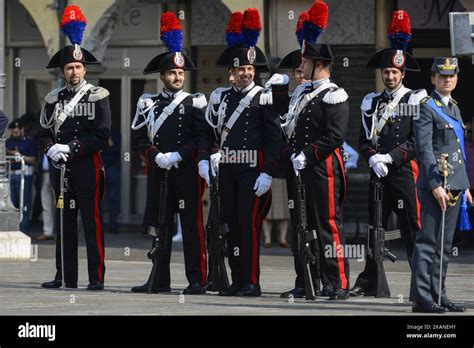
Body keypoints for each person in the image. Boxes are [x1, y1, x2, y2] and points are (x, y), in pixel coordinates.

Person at [200, 9, 281, 297]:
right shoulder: (220, 98)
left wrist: (268, 172)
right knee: (231, 227)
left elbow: (274, 139)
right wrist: (211, 153)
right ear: (231, 73)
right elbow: (212, 133)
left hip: (252, 172)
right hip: (228, 172)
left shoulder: (264, 97)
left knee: (248, 228)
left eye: (250, 69)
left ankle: (252, 282)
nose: (246, 74)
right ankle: (235, 280)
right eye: (240, 70)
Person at [130, 12, 209, 295]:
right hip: (159, 172)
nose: (177, 77)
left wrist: (179, 155)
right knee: (159, 225)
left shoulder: (195, 102)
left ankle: (197, 279)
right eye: (172, 73)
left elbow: (203, 136)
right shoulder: (147, 103)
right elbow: (139, 138)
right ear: (162, 76)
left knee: (191, 227)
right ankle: (159, 279)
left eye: (180, 73)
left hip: (186, 173)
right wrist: (155, 155)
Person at [277, 0, 350, 300]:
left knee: (326, 225)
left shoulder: (334, 94)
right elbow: (287, 129)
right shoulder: (300, 93)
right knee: (301, 225)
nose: (301, 65)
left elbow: (335, 135)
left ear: (318, 65)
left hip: (321, 168)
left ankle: (338, 281)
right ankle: (309, 278)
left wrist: (307, 154)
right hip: (298, 168)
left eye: (305, 62)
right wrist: (277, 93)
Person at [350, 10, 425, 298]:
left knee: (411, 229)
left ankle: (421, 283)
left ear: (403, 74)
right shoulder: (371, 101)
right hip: (377, 173)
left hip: (403, 173)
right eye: (386, 72)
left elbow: (417, 141)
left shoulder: (415, 99)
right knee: (374, 228)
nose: (390, 76)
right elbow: (363, 138)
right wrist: (371, 157)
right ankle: (370, 280)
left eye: (395, 72)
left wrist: (389, 157)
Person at [39, 5, 111, 290]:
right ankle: (65, 275)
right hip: (61, 169)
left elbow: (102, 135)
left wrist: (70, 147)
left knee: (91, 222)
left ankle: (96, 278)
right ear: (63, 71)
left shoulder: (97, 95)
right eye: (70, 67)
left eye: (79, 67)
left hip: (87, 167)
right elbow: (41, 132)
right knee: (64, 222)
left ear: (84, 69)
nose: (75, 71)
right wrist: (50, 148)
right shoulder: (52, 98)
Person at [410, 57, 470, 313]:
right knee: (428, 242)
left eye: (452, 75)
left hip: (453, 185)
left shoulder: (454, 107)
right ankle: (422, 298)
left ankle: (439, 293)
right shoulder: (426, 107)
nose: (447, 79)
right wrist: (435, 184)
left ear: (456, 78)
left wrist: (464, 185)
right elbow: (424, 150)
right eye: (442, 75)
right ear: (433, 78)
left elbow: (456, 150)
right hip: (435, 185)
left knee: (445, 246)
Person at [6, 119, 37, 232]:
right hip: (10, 174)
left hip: (24, 174)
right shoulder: (9, 141)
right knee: (11, 203)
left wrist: (18, 155)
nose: (14, 134)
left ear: (22, 129)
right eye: (12, 132)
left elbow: (33, 160)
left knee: (24, 203)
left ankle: (23, 228)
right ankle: (12, 228)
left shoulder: (29, 141)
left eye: (16, 132)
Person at [101, 126, 121, 234]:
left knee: (113, 198)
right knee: (100, 198)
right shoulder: (97, 131)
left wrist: (108, 139)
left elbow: (115, 150)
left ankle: (113, 224)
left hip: (112, 167)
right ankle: (100, 224)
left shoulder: (115, 133)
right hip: (100, 167)